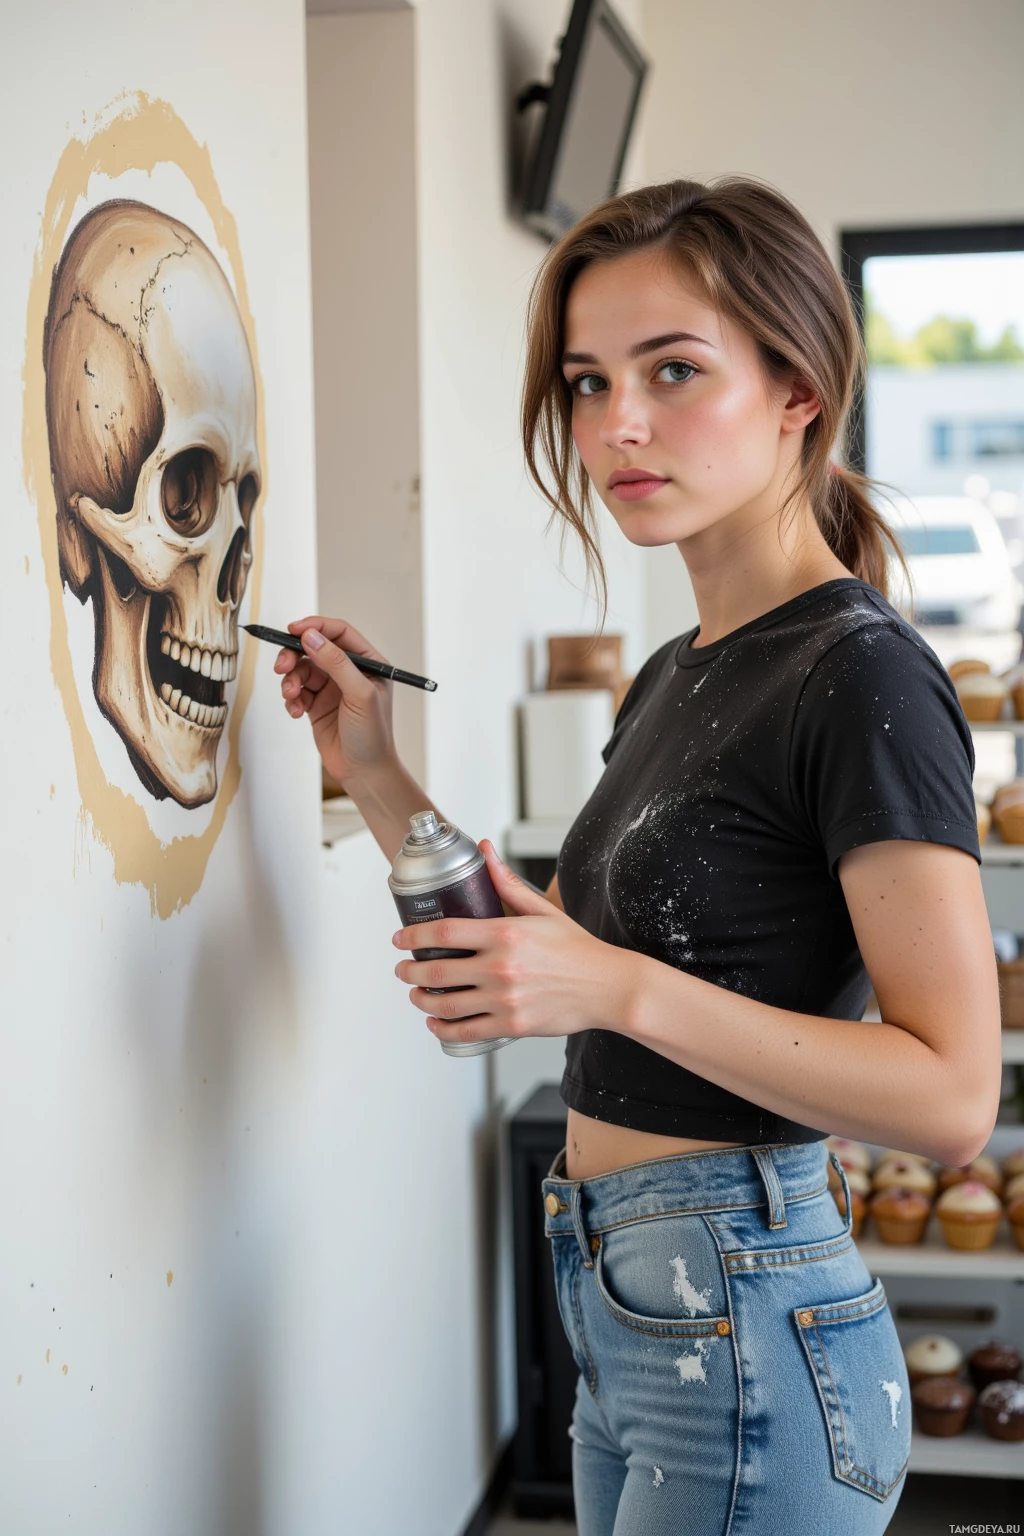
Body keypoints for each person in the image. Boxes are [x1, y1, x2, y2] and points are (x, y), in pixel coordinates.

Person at [276, 178, 1002, 1534]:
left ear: (800, 388)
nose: (618, 424)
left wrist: (610, 993)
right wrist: (370, 766)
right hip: (628, 1299)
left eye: (674, 371)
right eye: (587, 379)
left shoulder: (863, 679)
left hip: (743, 1302)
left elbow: (954, 1095)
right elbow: (588, 952)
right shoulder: (678, 670)